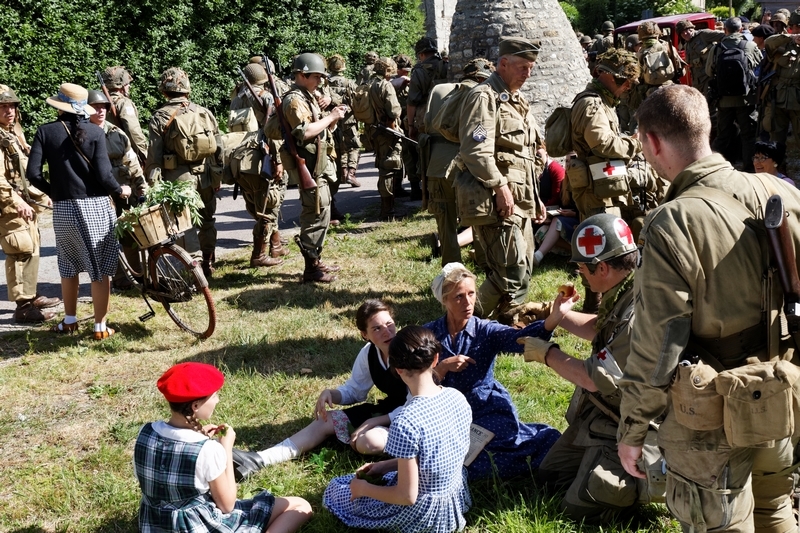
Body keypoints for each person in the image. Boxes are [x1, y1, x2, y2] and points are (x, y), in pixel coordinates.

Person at [618, 84, 800, 532]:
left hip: (711, 413)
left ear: (653, 142)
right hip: (780, 392)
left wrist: (633, 429)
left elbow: (659, 344)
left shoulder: (672, 221)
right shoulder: (781, 190)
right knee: (775, 509)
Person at [521, 214, 658, 523]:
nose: (580, 273)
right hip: (604, 412)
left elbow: (592, 378)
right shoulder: (627, 287)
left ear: (603, 268)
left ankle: (645, 481)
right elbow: (601, 327)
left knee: (577, 511)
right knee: (549, 477)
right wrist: (557, 315)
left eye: (583, 267)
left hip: (632, 423)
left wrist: (547, 353)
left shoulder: (638, 311)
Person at [230, 299, 407, 479]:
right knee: (325, 420)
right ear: (364, 334)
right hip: (389, 410)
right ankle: (260, 459)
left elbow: (420, 402)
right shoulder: (369, 353)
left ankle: (404, 456)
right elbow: (355, 390)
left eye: (389, 324)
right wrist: (331, 394)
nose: (387, 332)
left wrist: (373, 422)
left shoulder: (409, 350)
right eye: (377, 328)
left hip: (413, 416)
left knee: (369, 442)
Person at [323, 326, 472, 533]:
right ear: (436, 359)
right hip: (451, 499)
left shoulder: (406, 421)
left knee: (335, 490)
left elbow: (406, 497)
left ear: (398, 370)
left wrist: (365, 488)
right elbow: (436, 456)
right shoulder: (457, 398)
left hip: (423, 515)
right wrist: (386, 466)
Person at [134, 362, 312, 532]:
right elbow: (227, 505)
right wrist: (225, 448)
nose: (217, 400)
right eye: (214, 396)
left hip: (154, 524)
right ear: (195, 406)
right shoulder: (207, 450)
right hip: (200, 526)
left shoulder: (145, 432)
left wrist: (199, 434)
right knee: (300, 505)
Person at [424, 263, 562, 480]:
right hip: (445, 414)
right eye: (459, 296)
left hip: (485, 409)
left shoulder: (485, 330)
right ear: (444, 300)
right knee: (447, 460)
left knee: (481, 463)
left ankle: (543, 444)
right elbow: (414, 380)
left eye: (471, 294)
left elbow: (519, 340)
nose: (468, 302)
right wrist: (442, 367)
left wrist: (553, 318)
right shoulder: (429, 334)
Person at [26, 83, 131, 339]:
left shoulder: (45, 132)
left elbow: (33, 174)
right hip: (95, 206)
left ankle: (70, 321)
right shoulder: (95, 132)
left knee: (68, 265)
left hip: (63, 209)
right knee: (100, 267)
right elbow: (105, 176)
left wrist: (54, 192)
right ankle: (100, 326)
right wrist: (121, 191)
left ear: (59, 107)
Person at [457, 36, 547, 319]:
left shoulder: (517, 100)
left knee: (523, 267)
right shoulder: (484, 97)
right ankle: (459, 322)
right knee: (510, 269)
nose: (527, 73)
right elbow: (475, 150)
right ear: (503, 64)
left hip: (521, 198)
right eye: (522, 66)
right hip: (497, 199)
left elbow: (526, 154)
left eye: (530, 67)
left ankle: (509, 320)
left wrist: (536, 198)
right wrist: (500, 186)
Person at [568, 49, 663, 311]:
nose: (627, 86)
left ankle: (601, 303)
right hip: (594, 188)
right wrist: (633, 145)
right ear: (604, 75)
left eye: (629, 82)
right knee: (599, 245)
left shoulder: (603, 102)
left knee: (606, 243)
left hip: (604, 186)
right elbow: (602, 142)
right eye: (623, 80)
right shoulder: (591, 104)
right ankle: (594, 306)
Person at [145, 67, 220, 277]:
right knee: (207, 220)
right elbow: (219, 147)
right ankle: (208, 262)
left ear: (164, 90)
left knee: (183, 224)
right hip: (205, 173)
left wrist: (153, 184)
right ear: (187, 88)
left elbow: (154, 154)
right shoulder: (204, 112)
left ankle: (192, 271)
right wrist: (216, 176)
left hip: (178, 178)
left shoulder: (160, 116)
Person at [281, 53, 347, 282]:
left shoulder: (307, 96)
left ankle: (316, 260)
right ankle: (311, 269)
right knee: (315, 214)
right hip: (309, 166)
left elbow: (320, 130)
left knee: (323, 211)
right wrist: (330, 117)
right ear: (302, 75)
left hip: (319, 164)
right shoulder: (294, 100)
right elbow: (305, 132)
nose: (320, 81)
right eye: (316, 76)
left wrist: (334, 117)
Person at [425, 58, 494, 267]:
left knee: (445, 222)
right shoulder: (483, 94)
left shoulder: (441, 92)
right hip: (468, 164)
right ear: (483, 77)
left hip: (438, 165)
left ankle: (451, 268)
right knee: (478, 217)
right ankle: (484, 263)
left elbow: (427, 124)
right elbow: (482, 132)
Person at [0, 84, 61, 323]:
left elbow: (21, 172)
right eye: (3, 107)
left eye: (12, 106)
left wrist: (39, 194)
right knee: (20, 250)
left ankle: (31, 295)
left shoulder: (11, 132)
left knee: (32, 247)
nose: (9, 111)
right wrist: (16, 202)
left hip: (22, 201)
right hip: (8, 206)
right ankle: (23, 307)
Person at [87, 89, 148, 291]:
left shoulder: (116, 133)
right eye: (95, 107)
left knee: (129, 232)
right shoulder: (82, 134)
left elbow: (131, 161)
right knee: (106, 237)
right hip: (98, 193)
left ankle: (135, 273)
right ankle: (113, 277)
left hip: (124, 189)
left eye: (103, 107)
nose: (101, 111)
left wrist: (140, 184)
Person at [229, 62, 286, 268]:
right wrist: (279, 160)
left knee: (256, 202)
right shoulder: (266, 97)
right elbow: (273, 131)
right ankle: (259, 255)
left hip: (241, 157)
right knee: (270, 202)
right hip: (263, 154)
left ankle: (276, 244)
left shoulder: (236, 98)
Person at [706, 17, 760, 171]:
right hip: (746, 99)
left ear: (725, 30)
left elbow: (708, 71)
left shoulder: (716, 48)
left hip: (723, 99)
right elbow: (757, 63)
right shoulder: (749, 45)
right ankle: (749, 169)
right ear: (741, 29)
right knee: (748, 135)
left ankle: (717, 168)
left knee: (723, 135)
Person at [406, 36, 447, 200]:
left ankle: (429, 194)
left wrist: (410, 125)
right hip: (447, 115)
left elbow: (412, 102)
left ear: (421, 54)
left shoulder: (419, 71)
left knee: (425, 154)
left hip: (426, 118)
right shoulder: (446, 66)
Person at [368, 57, 404, 220]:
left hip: (374, 131)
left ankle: (387, 207)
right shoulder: (385, 85)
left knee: (384, 167)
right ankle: (387, 211)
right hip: (388, 131)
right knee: (388, 169)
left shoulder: (369, 84)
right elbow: (394, 111)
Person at [533, 151, 577, 266]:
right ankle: (576, 252)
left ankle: (538, 256)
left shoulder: (556, 170)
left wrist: (574, 214)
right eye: (566, 161)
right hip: (563, 217)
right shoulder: (566, 181)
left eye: (572, 161)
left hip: (578, 220)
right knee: (542, 232)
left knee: (556, 223)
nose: (568, 164)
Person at [763, 10, 800, 145]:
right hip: (778, 98)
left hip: (797, 100)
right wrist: (791, 37)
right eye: (796, 27)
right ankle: (778, 165)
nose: (797, 30)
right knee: (776, 139)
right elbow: (768, 42)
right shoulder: (783, 42)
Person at [327, 54, 362, 188]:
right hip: (349, 120)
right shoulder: (349, 82)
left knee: (339, 147)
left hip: (333, 119)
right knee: (353, 146)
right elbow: (356, 101)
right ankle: (351, 174)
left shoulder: (325, 83)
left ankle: (342, 174)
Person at [101, 66, 148, 165]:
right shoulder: (123, 103)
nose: (129, 86)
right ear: (121, 85)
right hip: (124, 156)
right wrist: (144, 153)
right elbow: (133, 131)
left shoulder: (100, 102)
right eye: (127, 84)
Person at [677, 19, 724, 98]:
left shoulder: (703, 35)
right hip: (697, 82)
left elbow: (724, 36)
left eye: (687, 30)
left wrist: (718, 51)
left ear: (692, 28)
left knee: (711, 105)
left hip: (709, 78)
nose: (685, 33)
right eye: (682, 33)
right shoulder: (686, 45)